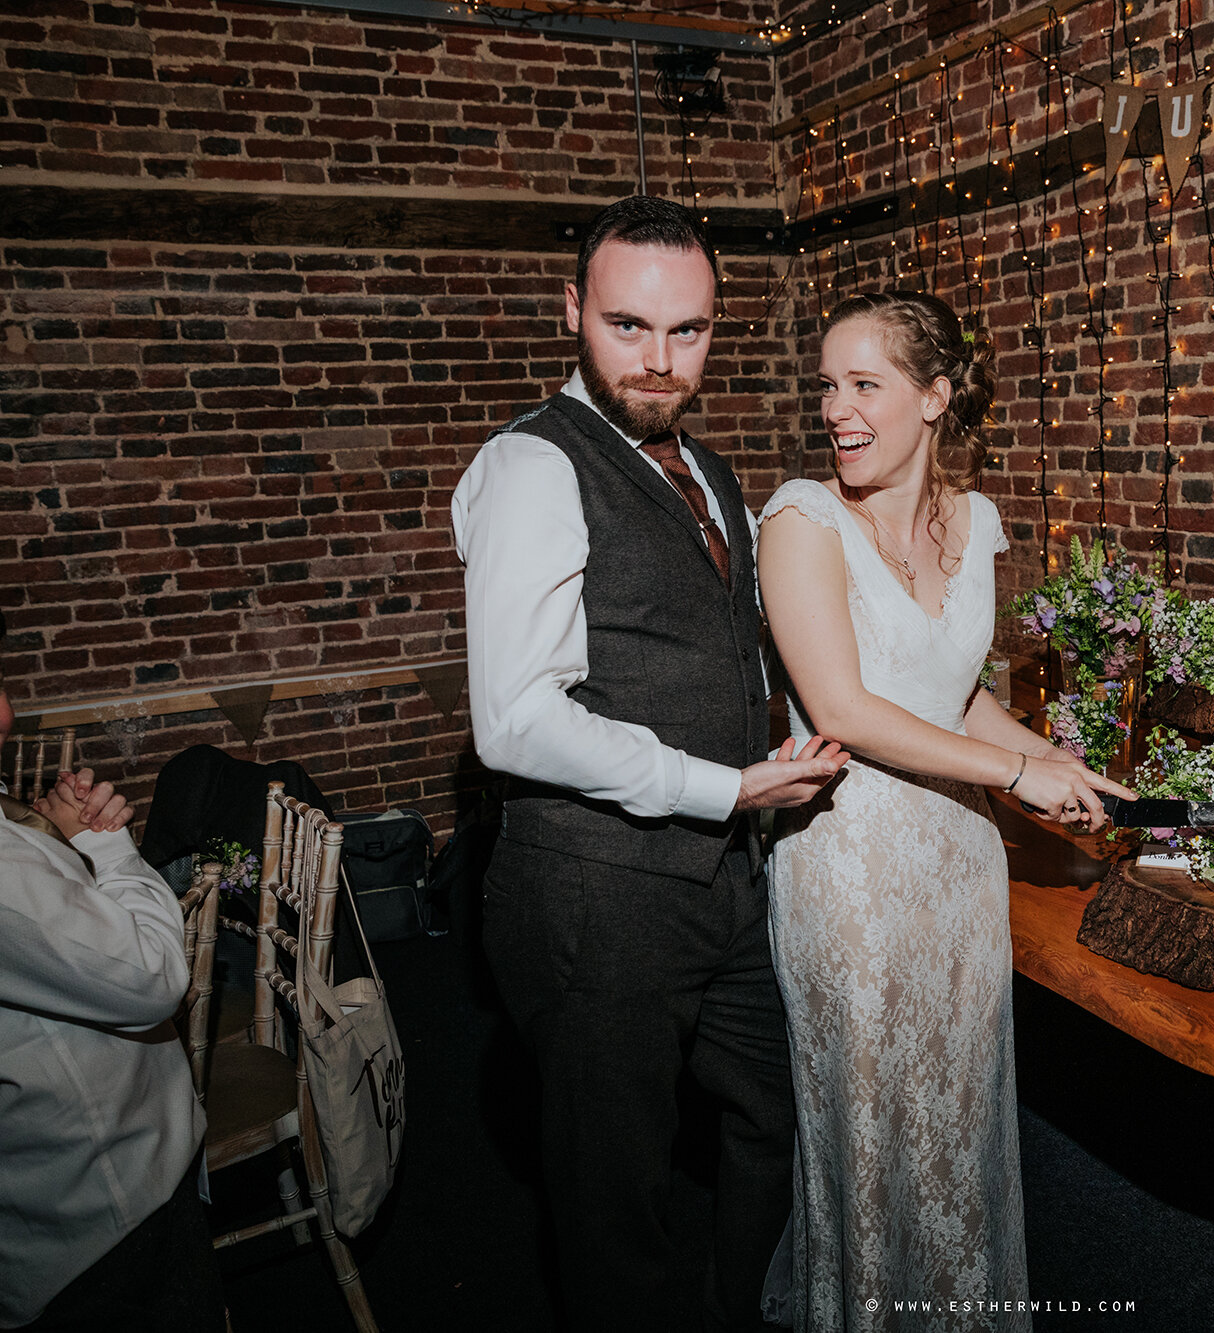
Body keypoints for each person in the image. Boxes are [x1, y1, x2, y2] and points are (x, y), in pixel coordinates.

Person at [450, 195, 849, 1332]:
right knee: (611, 1201)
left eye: (690, 330)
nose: (660, 361)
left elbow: (710, 642)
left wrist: (766, 742)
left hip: (720, 879)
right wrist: (723, 785)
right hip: (591, 898)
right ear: (571, 309)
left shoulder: (709, 468)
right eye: (628, 326)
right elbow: (514, 720)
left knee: (771, 1111)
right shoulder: (533, 464)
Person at [756, 291, 1134, 1330]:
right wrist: (1013, 778)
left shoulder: (973, 522)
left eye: (863, 384)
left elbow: (950, 690)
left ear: (934, 396)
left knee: (958, 1114)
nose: (837, 409)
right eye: (827, 386)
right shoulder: (800, 518)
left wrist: (1056, 758)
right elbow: (843, 705)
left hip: (957, 863)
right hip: (851, 869)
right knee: (872, 1129)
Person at [0, 671, 226, 1332]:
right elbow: (155, 975)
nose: (8, 714)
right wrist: (108, 848)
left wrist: (55, 836)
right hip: (102, 1213)